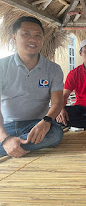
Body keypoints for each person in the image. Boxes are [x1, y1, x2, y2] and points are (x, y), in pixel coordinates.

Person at [0, 16, 64, 157]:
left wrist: (46, 121)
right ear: (14, 37)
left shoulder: (53, 69)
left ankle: (12, 147)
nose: (33, 39)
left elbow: (57, 102)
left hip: (37, 125)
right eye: (26, 34)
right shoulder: (2, 66)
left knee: (56, 133)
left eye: (37, 35)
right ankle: (11, 145)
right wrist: (4, 137)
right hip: (5, 125)